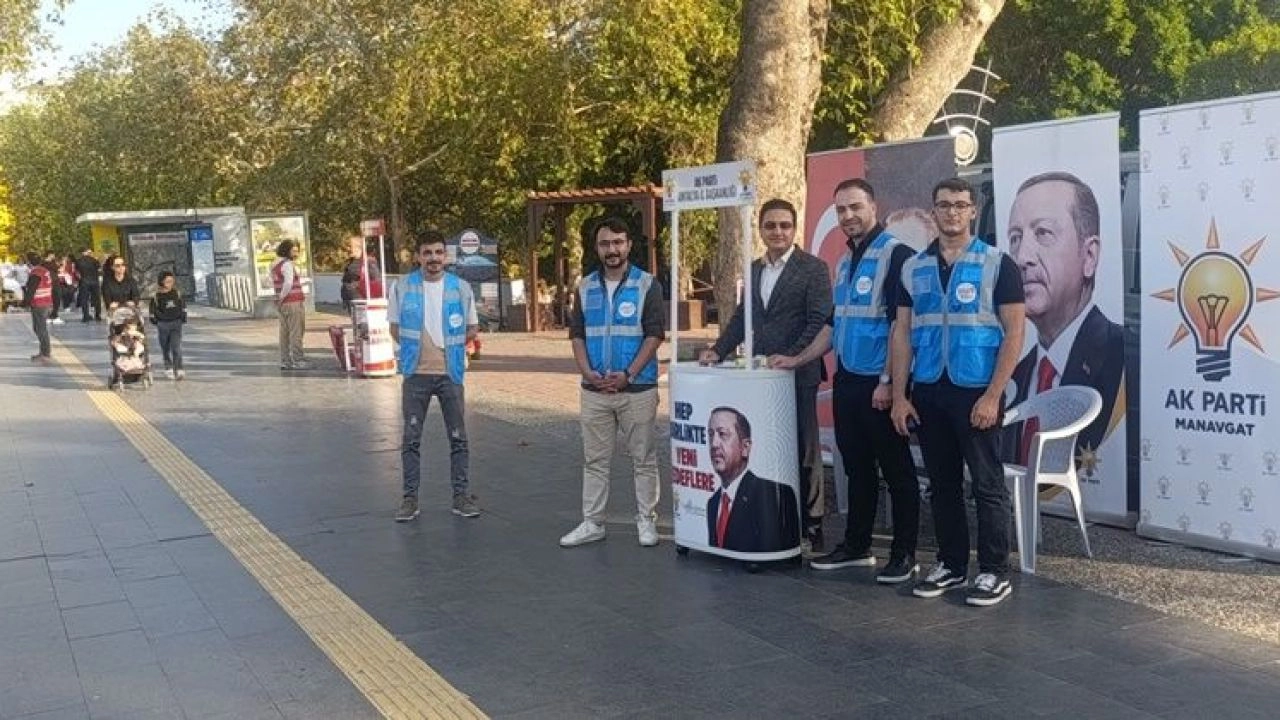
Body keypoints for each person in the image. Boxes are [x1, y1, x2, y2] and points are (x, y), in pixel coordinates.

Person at [772, 179, 921, 583]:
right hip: (848, 381)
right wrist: (797, 359)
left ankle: (904, 554)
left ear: (874, 206)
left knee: (897, 471)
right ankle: (857, 546)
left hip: (879, 384)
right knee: (856, 468)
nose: (848, 216)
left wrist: (889, 383)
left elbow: (901, 327)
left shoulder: (897, 255)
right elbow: (833, 325)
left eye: (855, 207)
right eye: (841, 210)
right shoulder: (844, 262)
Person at [891, 177, 1026, 607]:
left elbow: (1015, 332)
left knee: (987, 485)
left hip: (976, 391)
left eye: (960, 205)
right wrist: (900, 395)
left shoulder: (998, 264)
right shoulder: (913, 267)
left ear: (973, 211)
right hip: (930, 389)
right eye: (944, 205)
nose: (951, 212)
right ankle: (951, 564)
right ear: (933, 211)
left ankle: (993, 571)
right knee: (943, 484)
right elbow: (902, 333)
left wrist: (993, 395)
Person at [699, 198, 833, 552]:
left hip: (799, 374)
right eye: (770, 225)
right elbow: (742, 318)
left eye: (784, 225)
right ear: (760, 229)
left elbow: (819, 320)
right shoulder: (754, 269)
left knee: (804, 449)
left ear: (794, 229)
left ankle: (813, 523)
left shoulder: (814, 268)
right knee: (767, 449)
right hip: (761, 380)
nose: (778, 232)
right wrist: (718, 350)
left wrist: (792, 357)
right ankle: (777, 518)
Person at [1004, 171, 1125, 465]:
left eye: (1043, 233)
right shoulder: (1015, 375)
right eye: (1015, 238)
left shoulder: (1123, 360)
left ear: (1089, 256)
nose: (1022, 257)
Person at [558, 217, 665, 548]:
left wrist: (628, 374)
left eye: (618, 242)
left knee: (643, 458)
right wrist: (586, 372)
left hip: (637, 387)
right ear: (597, 248)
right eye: (605, 243)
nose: (612, 249)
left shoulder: (647, 284)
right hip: (595, 389)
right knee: (594, 460)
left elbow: (654, 335)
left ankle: (646, 520)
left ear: (629, 245)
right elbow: (577, 333)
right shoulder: (585, 286)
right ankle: (593, 522)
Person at [388, 229, 481, 521]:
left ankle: (461, 497)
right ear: (418, 256)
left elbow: (472, 328)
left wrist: (450, 349)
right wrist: (417, 351)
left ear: (446, 256)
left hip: (450, 374)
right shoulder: (402, 287)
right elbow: (394, 327)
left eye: (438, 252)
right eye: (427, 252)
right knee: (411, 439)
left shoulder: (461, 288)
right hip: (415, 373)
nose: (433, 258)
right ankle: (409, 500)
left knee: (459, 438)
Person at [705, 407, 800, 553]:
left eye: (722, 434)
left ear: (745, 447)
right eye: (711, 435)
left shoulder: (772, 494)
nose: (714, 444)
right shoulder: (713, 503)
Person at [271, 240, 310, 370]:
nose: (296, 253)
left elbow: (279, 282)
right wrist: (282, 297)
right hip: (292, 301)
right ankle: (298, 360)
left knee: (284, 333)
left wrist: (279, 299)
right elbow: (288, 283)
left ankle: (285, 360)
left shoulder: (275, 264)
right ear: (286, 250)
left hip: (282, 304)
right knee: (296, 332)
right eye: (293, 251)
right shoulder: (287, 264)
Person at [149, 270, 188, 380]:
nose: (170, 283)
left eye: (171, 281)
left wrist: (183, 317)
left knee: (176, 347)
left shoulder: (177, 293)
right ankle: (168, 367)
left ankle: (179, 368)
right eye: (167, 281)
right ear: (161, 282)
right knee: (165, 347)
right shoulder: (156, 296)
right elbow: (152, 310)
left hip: (176, 323)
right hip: (163, 324)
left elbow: (183, 306)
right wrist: (155, 320)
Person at [21, 252, 55, 364]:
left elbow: (31, 290)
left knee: (40, 329)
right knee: (39, 328)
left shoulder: (36, 273)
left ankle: (46, 354)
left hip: (39, 304)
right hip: (47, 302)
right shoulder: (44, 271)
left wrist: (24, 303)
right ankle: (43, 352)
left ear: (29, 262)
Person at [340, 235, 383, 311]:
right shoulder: (351, 261)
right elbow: (346, 281)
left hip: (361, 299)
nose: (348, 249)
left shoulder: (368, 261)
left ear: (359, 247)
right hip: (350, 300)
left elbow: (376, 279)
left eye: (350, 246)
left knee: (361, 317)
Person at [74, 248, 102, 322]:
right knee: (97, 298)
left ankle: (85, 316)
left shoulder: (78, 261)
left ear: (82, 253)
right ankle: (98, 315)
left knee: (84, 299)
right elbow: (99, 269)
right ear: (86, 252)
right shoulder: (94, 260)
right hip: (94, 281)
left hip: (84, 281)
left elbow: (77, 272)